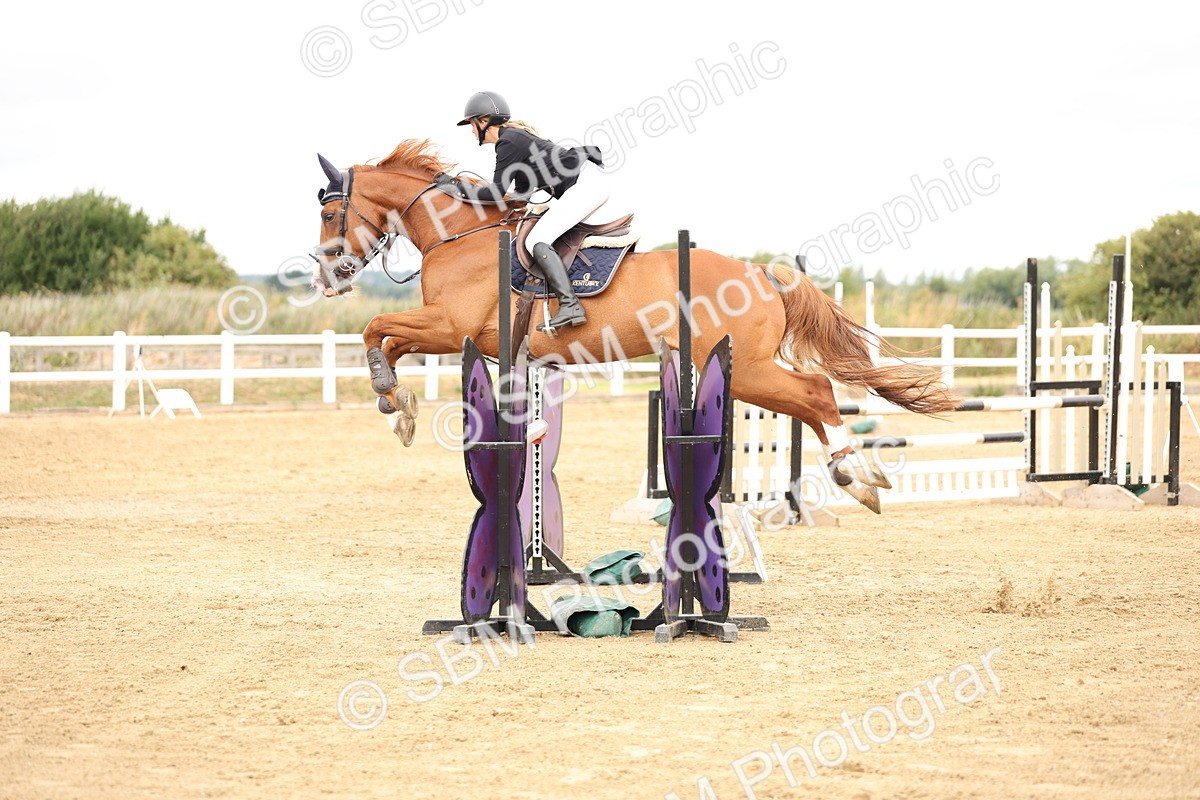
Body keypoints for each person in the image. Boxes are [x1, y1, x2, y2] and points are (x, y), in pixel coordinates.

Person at [455, 90, 608, 331]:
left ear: (484, 121)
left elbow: (496, 193)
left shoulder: (508, 142)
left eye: (472, 125)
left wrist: (458, 189)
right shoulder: (515, 139)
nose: (471, 131)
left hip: (585, 187)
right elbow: (521, 194)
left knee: (536, 240)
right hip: (587, 184)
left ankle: (570, 305)